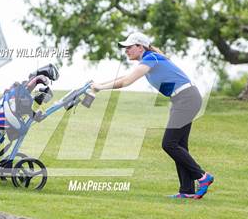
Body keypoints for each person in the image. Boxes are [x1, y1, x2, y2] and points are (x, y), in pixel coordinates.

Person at [91, 32, 214, 199]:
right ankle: (187, 191)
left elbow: (126, 82)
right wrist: (98, 85)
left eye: (129, 47)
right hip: (184, 99)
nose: (126, 50)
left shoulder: (151, 57)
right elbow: (125, 77)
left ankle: (202, 176)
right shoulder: (148, 60)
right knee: (179, 145)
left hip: (186, 99)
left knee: (169, 144)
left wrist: (101, 88)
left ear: (140, 47)